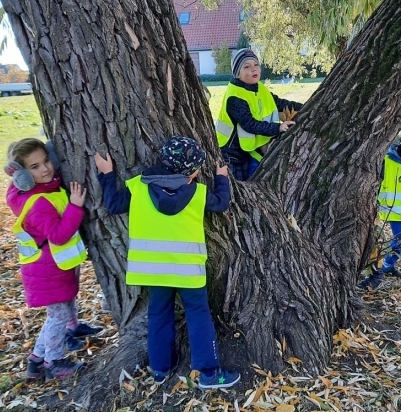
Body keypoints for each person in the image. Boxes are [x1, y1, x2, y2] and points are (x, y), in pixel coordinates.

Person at [94, 136, 240, 390]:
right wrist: (222, 177)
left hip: (153, 271)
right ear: (191, 172)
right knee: (198, 315)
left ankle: (160, 369)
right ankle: (208, 373)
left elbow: (113, 204)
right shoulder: (198, 193)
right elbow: (222, 202)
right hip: (188, 271)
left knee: (159, 315)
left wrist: (107, 175)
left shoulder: (138, 187)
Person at [5, 138, 102, 381]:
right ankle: (54, 363)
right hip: (48, 271)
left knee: (58, 315)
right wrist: (75, 207)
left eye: (46, 160)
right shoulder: (38, 203)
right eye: (35, 167)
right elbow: (58, 236)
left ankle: (35, 362)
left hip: (53, 268)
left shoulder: (41, 189)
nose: (46, 168)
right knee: (58, 317)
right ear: (22, 176)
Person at [358, 123, 401, 290]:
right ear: (400, 139)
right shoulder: (386, 158)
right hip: (385, 211)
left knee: (398, 243)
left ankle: (388, 265)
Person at [216, 48, 303, 180]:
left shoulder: (259, 88)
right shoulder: (235, 96)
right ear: (237, 73)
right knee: (237, 189)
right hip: (230, 154)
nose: (253, 69)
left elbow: (279, 103)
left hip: (248, 151)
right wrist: (277, 128)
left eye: (256, 65)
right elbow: (249, 124)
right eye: (247, 66)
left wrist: (305, 107)